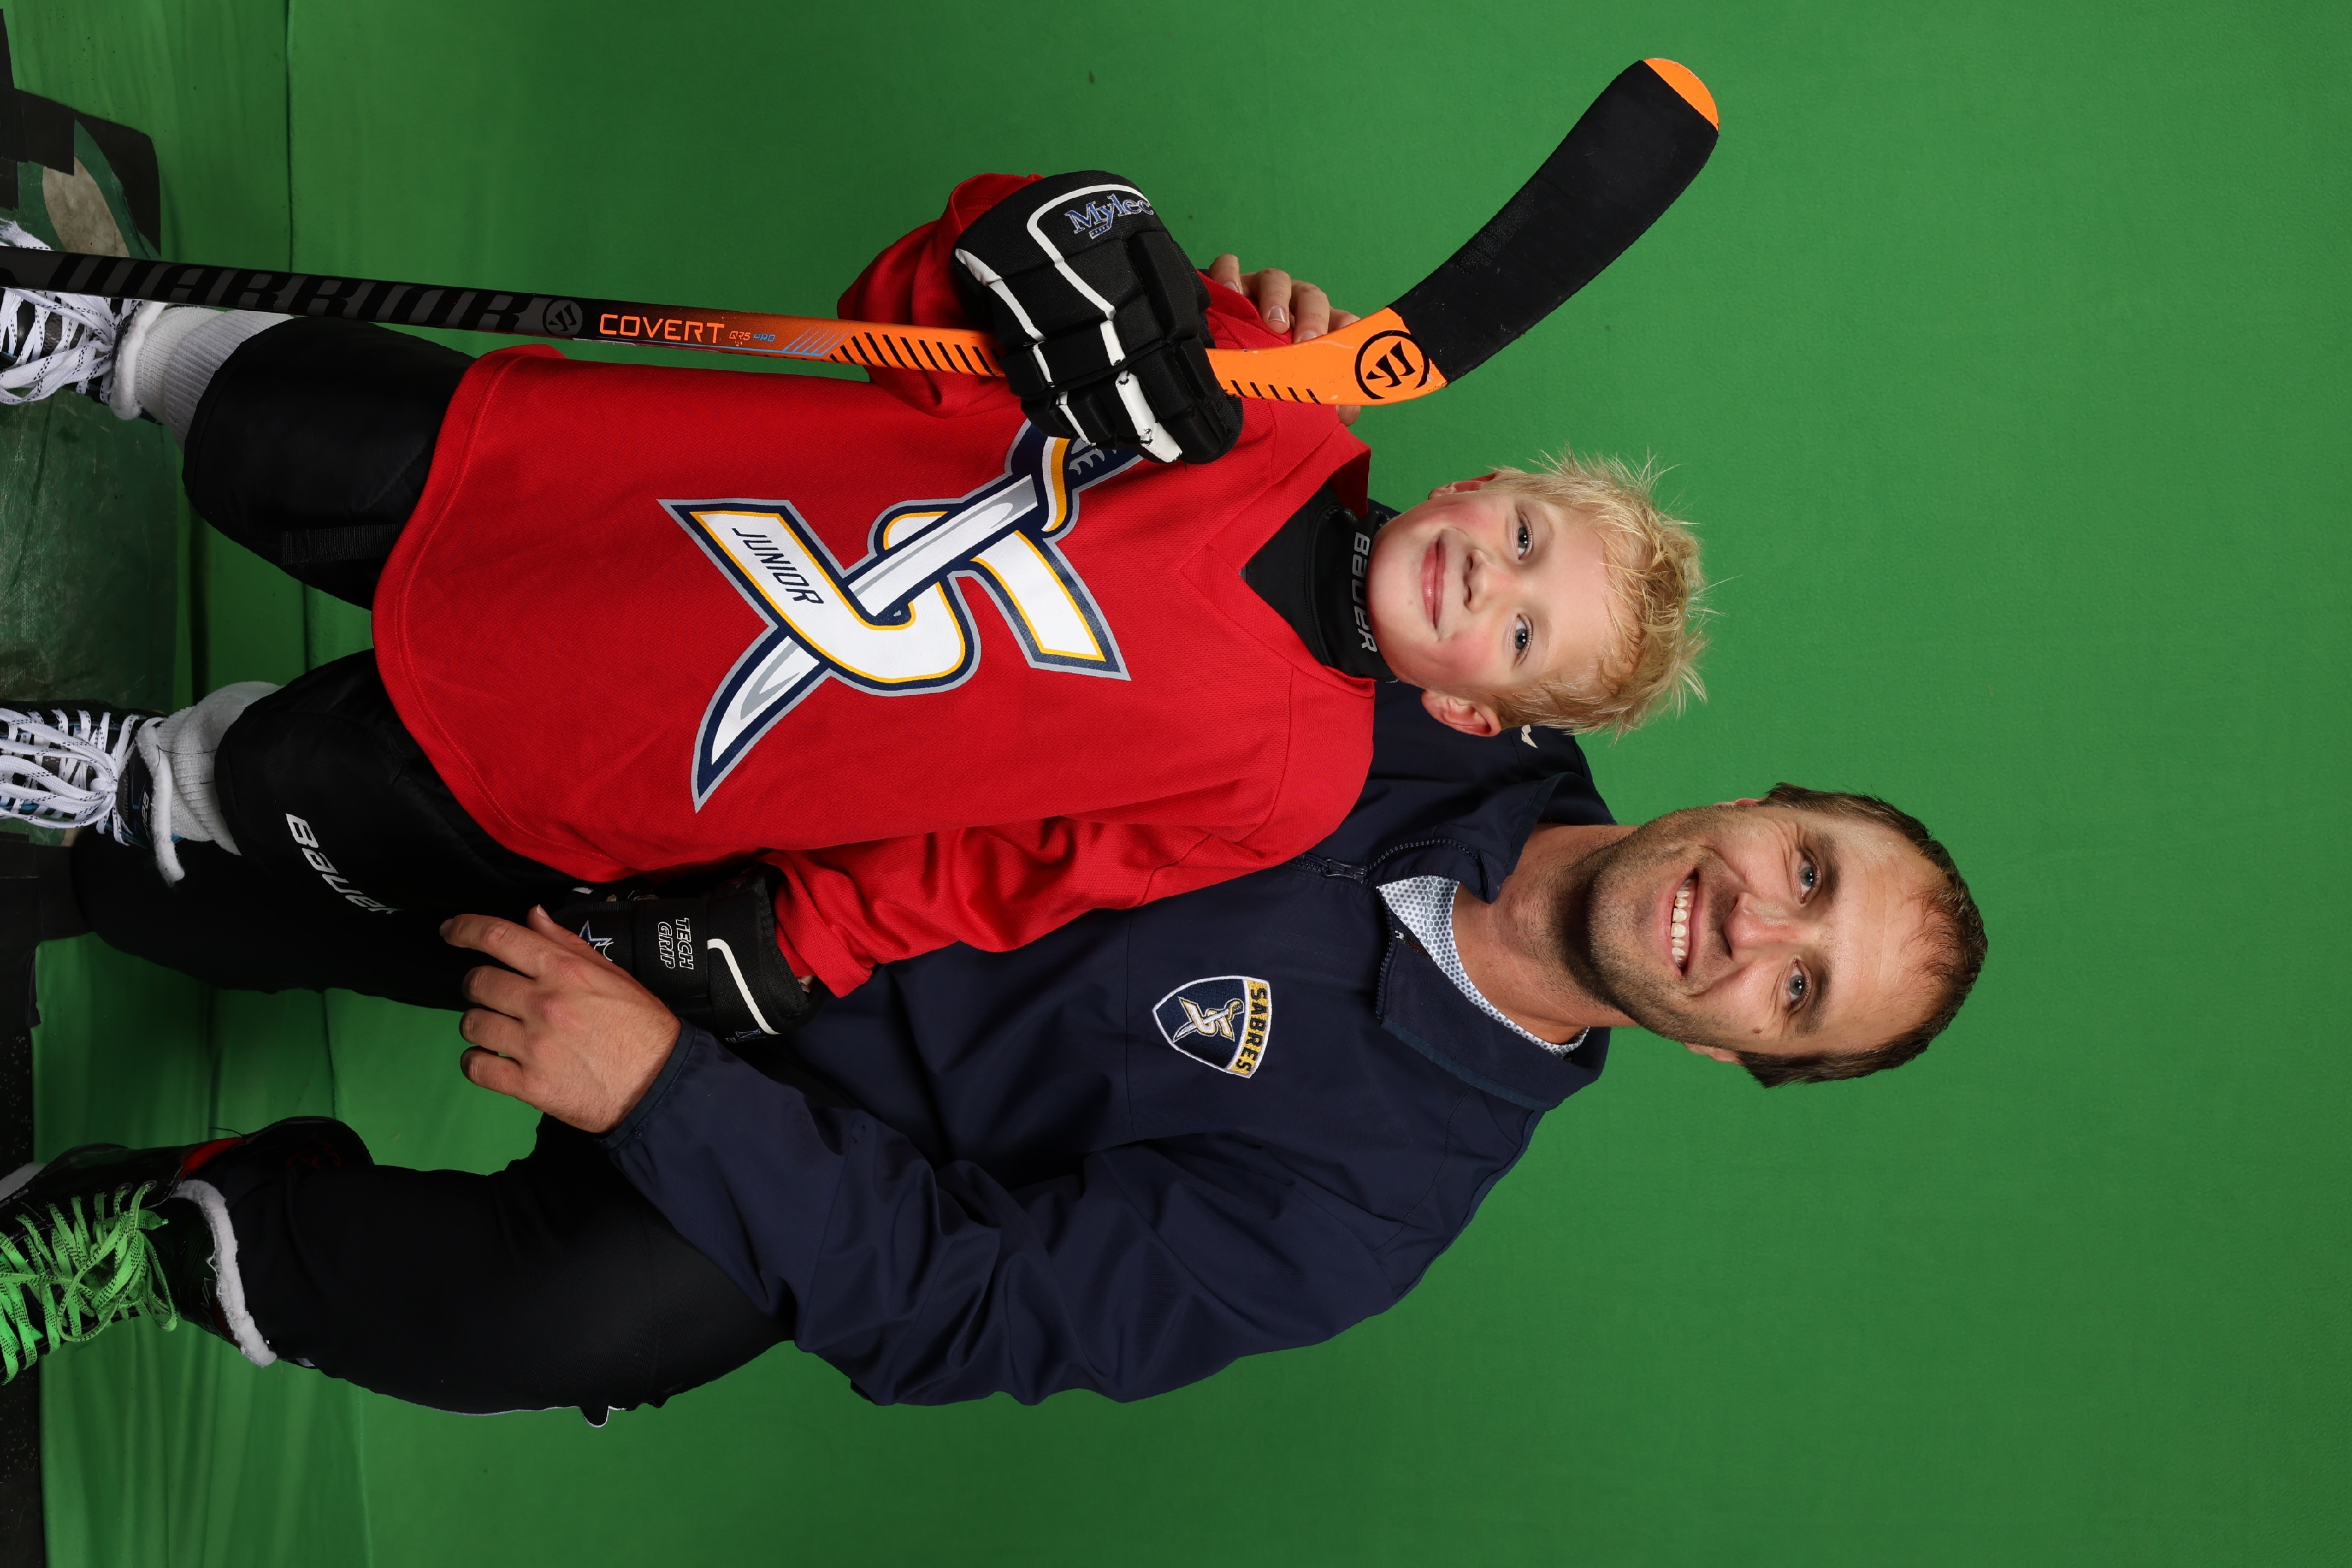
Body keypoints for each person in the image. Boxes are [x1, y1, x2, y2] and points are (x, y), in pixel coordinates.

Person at [0, 170, 1703, 1033]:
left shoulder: (1289, 784)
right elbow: (910, 300)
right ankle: (107, 334)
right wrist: (1054, 247)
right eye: (1526, 532)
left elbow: (1004, 872)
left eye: (1522, 632)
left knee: (300, 783)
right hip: (604, 486)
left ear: (1471, 707)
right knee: (304, 424)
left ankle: (128, 775)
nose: (1494, 576)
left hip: (641, 756)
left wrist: (795, 941)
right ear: (1485, 482)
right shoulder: (1269, 384)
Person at [0, 689, 1983, 1414]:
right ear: (1759, 799)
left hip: (799, 1137)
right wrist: (1225, 351)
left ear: (1733, 1059)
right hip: (743, 845)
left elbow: (979, 1309)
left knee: (557, 1325)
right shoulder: (1452, 679)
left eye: (1799, 991)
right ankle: (137, 819)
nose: (1757, 927)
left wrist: (668, 1095)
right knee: (209, 874)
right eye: (1808, 872)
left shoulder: (1378, 1208)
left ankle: (172, 1225)